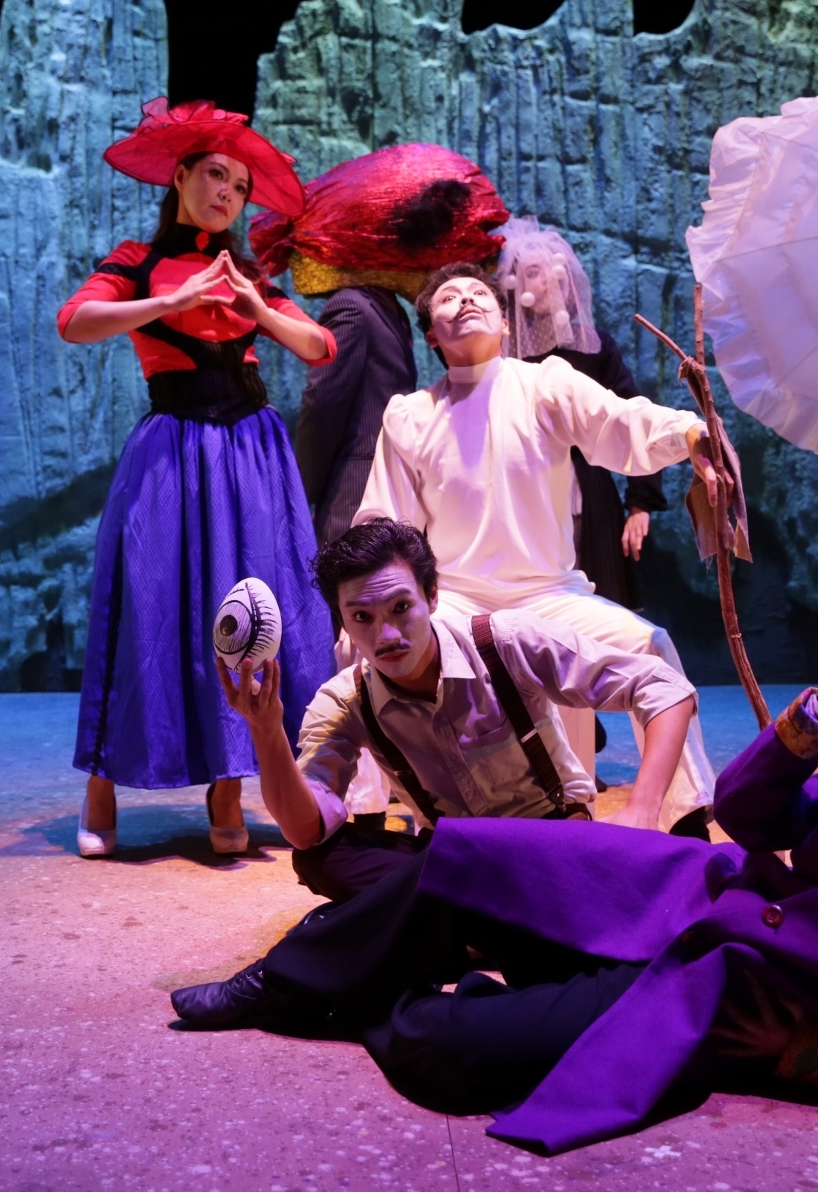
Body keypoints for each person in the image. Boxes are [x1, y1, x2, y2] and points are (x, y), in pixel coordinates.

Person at [171, 611, 818, 1155]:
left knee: (441, 1052)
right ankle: (285, 983)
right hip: (680, 891)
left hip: (719, 995)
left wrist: (811, 1054)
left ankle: (396, 992)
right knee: (466, 856)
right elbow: (750, 812)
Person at [57, 98, 337, 858]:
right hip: (173, 452)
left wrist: (258, 308)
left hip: (251, 454)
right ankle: (102, 783)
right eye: (215, 175)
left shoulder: (245, 273)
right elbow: (74, 322)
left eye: (240, 186)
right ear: (180, 177)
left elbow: (319, 346)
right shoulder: (137, 261)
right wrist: (171, 300)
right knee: (147, 606)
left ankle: (229, 784)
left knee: (255, 607)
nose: (227, 193)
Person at [356, 264, 720, 836]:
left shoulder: (545, 383)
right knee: (365, 657)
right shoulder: (410, 415)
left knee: (648, 644)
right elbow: (387, 524)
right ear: (431, 335)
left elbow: (621, 420)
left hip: (551, 595)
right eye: (448, 297)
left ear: (505, 322)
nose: (466, 300)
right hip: (456, 604)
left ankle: (685, 814)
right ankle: (372, 818)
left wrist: (692, 433)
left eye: (479, 293)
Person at [215, 519, 699, 901]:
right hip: (456, 860)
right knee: (321, 858)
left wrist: (642, 808)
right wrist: (266, 730)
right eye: (362, 617)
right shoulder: (344, 700)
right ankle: (494, 924)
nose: (386, 635)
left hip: (551, 845)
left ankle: (460, 928)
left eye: (401, 607)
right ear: (342, 621)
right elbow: (305, 830)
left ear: (431, 596)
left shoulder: (504, 643)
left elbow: (663, 687)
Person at [252, 145, 508, 548]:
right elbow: (322, 403)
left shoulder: (388, 310)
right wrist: (303, 493)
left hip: (390, 489)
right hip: (355, 492)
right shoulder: (354, 307)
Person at [499, 217, 668, 612]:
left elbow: (631, 414)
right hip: (524, 489)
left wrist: (640, 503)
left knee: (598, 601)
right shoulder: (499, 353)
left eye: (552, 271)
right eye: (532, 273)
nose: (546, 282)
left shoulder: (593, 345)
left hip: (589, 489)